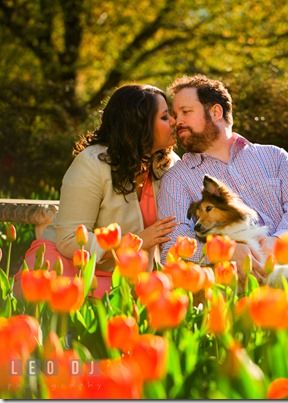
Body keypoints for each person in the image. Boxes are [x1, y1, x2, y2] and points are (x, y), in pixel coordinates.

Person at [15, 84, 180, 298]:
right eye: (165, 117)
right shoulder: (91, 163)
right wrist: (136, 242)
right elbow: (68, 240)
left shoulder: (169, 166)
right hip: (70, 268)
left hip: (127, 275)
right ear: (139, 125)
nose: (175, 122)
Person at [157, 75, 288, 277]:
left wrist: (278, 242)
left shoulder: (274, 156)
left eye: (186, 112)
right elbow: (174, 243)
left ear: (216, 112)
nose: (177, 121)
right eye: (175, 114)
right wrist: (227, 252)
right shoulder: (177, 179)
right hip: (239, 275)